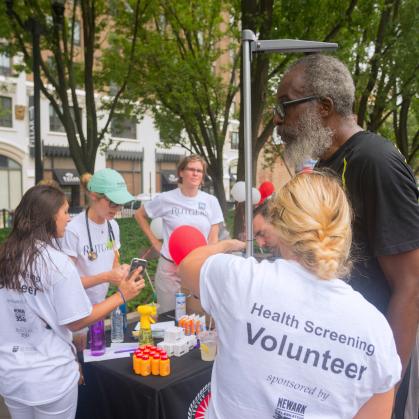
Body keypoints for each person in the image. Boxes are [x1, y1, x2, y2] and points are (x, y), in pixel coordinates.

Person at [179, 171, 401, 419]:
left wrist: (223, 246)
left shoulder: (240, 280)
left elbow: (188, 265)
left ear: (280, 225)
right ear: (344, 231)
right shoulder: (375, 329)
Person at [273, 54, 419, 418]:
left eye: (285, 105)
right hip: (336, 361)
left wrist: (390, 385)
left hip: (371, 370)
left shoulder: (375, 161)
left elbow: (412, 283)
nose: (278, 119)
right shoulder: (326, 166)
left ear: (323, 107)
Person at [0, 185, 144, 419]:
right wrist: (122, 295)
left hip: (10, 374)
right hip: (50, 376)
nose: (68, 218)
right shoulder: (56, 263)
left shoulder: (5, 256)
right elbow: (77, 322)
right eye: (65, 212)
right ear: (48, 216)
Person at [135, 154, 224, 313]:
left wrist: (208, 264)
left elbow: (213, 237)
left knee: (195, 319)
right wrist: (155, 243)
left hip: (196, 268)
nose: (196, 173)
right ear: (181, 172)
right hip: (170, 268)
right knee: (168, 318)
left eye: (199, 170)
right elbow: (139, 215)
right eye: (191, 169)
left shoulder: (211, 201)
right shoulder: (165, 198)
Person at [60, 168, 134, 351]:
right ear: (94, 196)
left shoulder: (113, 226)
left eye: (120, 204)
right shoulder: (72, 230)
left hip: (100, 309)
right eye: (112, 203)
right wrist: (107, 276)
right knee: (81, 363)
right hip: (76, 313)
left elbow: (114, 262)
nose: (117, 209)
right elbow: (65, 283)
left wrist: (124, 274)